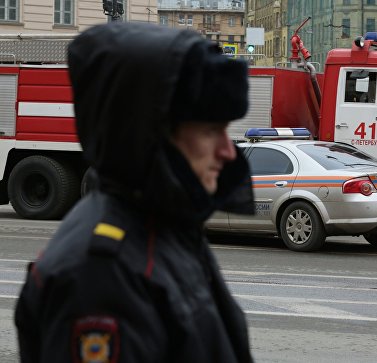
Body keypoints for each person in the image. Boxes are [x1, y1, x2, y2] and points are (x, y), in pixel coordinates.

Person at [15, 22, 255, 362]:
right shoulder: (101, 275)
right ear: (152, 137)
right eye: (210, 131)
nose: (229, 152)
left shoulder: (163, 227)